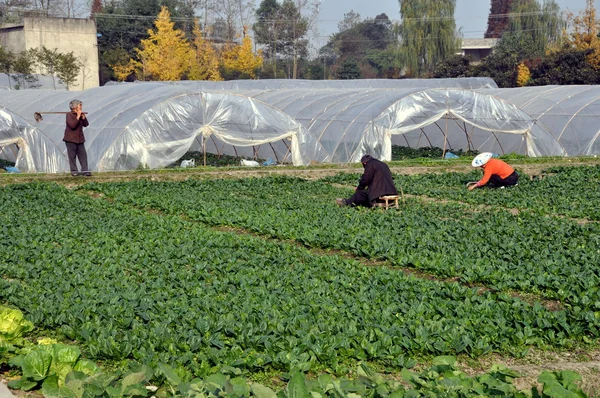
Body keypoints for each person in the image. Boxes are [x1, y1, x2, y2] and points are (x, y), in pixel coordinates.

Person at [63, 99, 91, 176]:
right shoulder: (69, 114)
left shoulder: (80, 114)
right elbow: (72, 125)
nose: (81, 107)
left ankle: (85, 171)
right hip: (70, 139)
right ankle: (74, 171)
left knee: (83, 155)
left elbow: (86, 124)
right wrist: (78, 116)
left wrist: (83, 117)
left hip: (80, 139)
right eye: (80, 105)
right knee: (72, 156)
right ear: (75, 107)